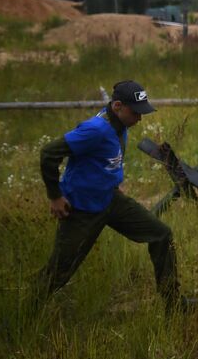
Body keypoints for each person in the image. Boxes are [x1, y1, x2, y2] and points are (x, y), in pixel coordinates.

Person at [37, 80, 182, 309]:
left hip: (110, 199)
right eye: (136, 112)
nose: (140, 118)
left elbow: (103, 159)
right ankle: (22, 316)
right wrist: (55, 196)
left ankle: (175, 306)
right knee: (58, 273)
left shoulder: (120, 124)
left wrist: (112, 182)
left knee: (161, 234)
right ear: (117, 106)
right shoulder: (94, 130)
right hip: (81, 209)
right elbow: (48, 154)